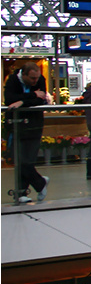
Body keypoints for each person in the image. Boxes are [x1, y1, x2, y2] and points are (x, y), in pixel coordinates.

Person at [5, 61, 52, 204]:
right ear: (23, 75)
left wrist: (21, 102)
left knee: (27, 159)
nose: (35, 81)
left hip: (34, 125)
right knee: (17, 157)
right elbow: (10, 99)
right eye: (32, 79)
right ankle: (39, 182)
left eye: (37, 78)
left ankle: (21, 192)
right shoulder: (13, 80)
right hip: (15, 125)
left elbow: (40, 99)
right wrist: (31, 95)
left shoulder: (40, 79)